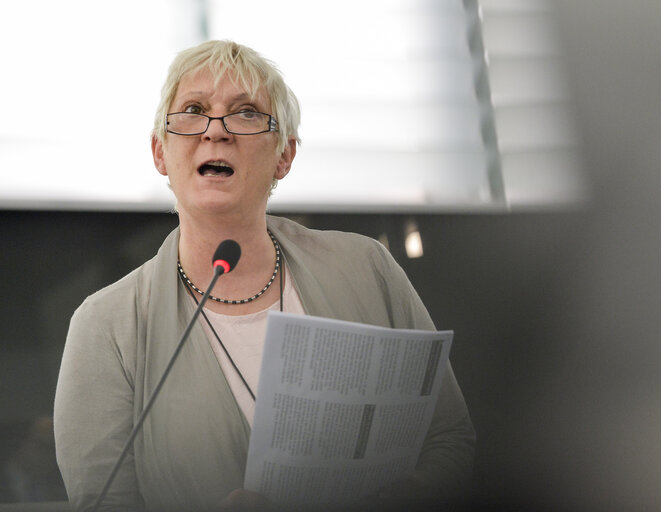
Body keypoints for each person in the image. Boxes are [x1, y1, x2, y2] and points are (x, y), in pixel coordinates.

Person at [53, 40, 475, 511]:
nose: (216, 132)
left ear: (284, 156)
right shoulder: (105, 325)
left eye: (247, 113)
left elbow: (450, 439)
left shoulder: (367, 268)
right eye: (193, 110)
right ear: (159, 152)